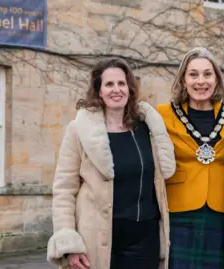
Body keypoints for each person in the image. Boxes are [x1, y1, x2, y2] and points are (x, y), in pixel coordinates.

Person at [46, 58, 176, 269]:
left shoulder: (148, 129)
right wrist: (68, 241)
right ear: (98, 91)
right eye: (109, 84)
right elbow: (64, 190)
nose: (116, 90)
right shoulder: (79, 130)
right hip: (98, 238)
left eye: (121, 84)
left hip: (146, 238)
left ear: (129, 88)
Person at [157, 47, 224, 269]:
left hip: (222, 211)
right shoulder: (162, 114)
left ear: (216, 79)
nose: (200, 81)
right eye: (193, 74)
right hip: (178, 212)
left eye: (207, 74)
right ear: (183, 79)